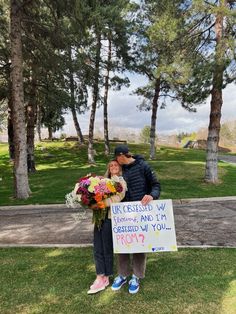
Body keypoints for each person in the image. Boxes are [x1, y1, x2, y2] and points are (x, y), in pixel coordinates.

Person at [111, 144, 161, 294]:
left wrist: (152, 195)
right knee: (123, 244)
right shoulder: (119, 169)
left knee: (139, 245)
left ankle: (136, 276)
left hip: (141, 212)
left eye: (116, 158)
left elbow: (156, 185)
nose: (115, 161)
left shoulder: (143, 166)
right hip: (123, 214)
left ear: (121, 155)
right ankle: (123, 274)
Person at [87, 160, 127, 294]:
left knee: (106, 247)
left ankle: (106, 275)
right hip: (99, 218)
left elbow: (118, 197)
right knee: (97, 247)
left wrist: (100, 204)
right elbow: (93, 196)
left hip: (110, 218)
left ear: (120, 168)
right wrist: (90, 201)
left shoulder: (120, 182)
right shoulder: (101, 181)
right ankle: (99, 275)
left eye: (116, 165)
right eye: (111, 165)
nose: (113, 167)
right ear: (108, 168)